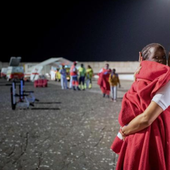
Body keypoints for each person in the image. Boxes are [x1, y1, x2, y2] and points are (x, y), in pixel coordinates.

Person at [110, 43, 170, 170]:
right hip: (152, 139)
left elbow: (144, 117)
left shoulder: (140, 80)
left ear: (140, 58)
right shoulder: (164, 81)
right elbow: (145, 117)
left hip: (134, 137)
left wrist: (123, 132)